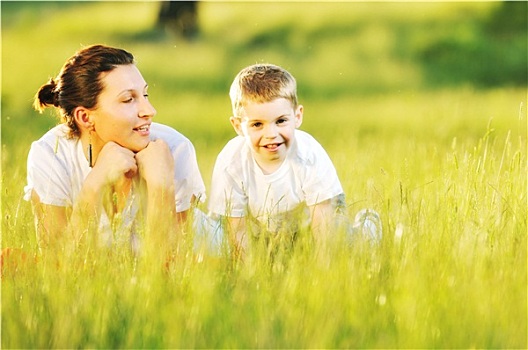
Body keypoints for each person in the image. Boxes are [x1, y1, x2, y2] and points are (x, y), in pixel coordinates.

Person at [25, 44, 206, 257]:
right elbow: (57, 267)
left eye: (145, 95)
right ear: (85, 117)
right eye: (129, 99)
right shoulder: (51, 155)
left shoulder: (175, 149)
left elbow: (169, 273)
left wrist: (161, 185)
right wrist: (94, 185)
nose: (150, 111)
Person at [207, 63, 381, 259]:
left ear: (297, 117)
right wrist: (250, 273)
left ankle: (367, 231)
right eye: (257, 124)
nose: (271, 134)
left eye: (281, 121)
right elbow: (237, 229)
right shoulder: (232, 162)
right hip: (261, 229)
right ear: (238, 126)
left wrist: (321, 272)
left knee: (341, 243)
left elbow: (323, 225)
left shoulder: (308, 155)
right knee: (220, 239)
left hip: (315, 221)